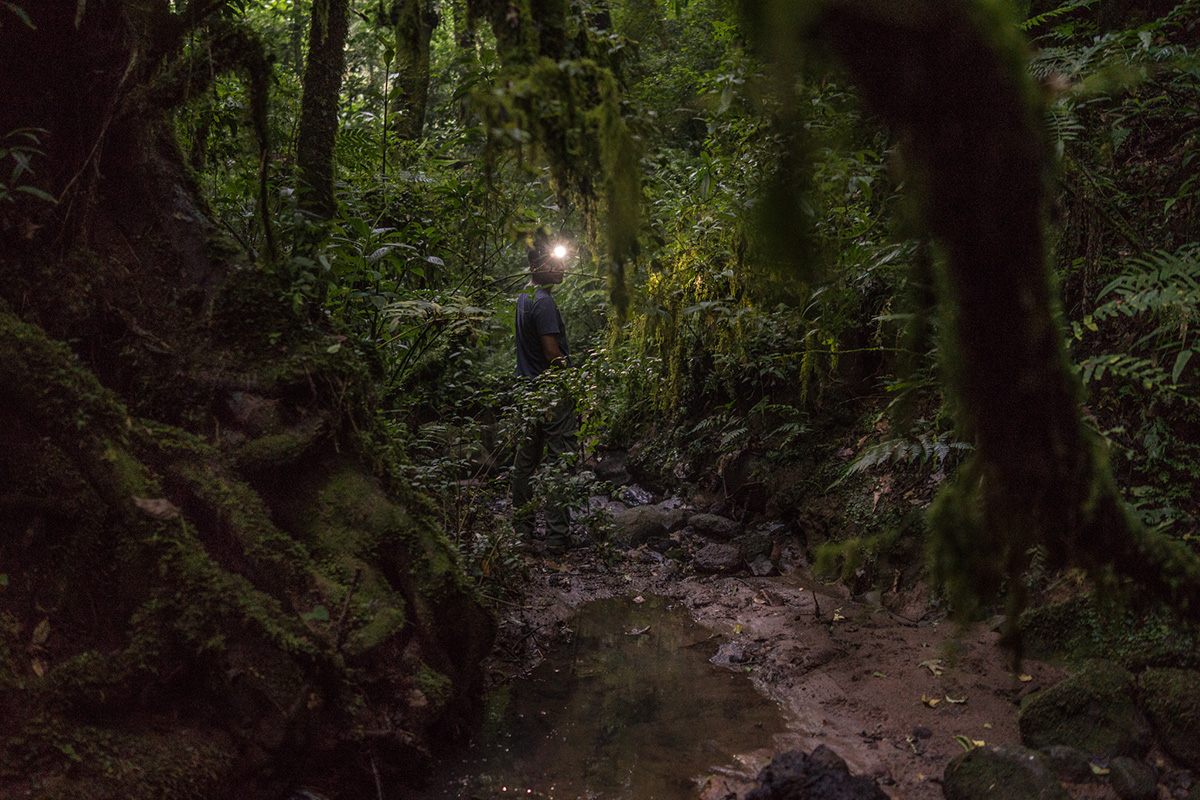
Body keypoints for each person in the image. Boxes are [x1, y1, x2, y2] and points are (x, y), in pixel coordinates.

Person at [511, 233, 578, 554]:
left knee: (525, 462)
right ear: (539, 266)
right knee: (558, 462)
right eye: (555, 262)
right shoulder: (545, 302)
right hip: (550, 393)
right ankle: (556, 538)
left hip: (527, 391)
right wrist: (573, 378)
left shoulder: (524, 298)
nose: (562, 266)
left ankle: (522, 530)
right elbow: (551, 352)